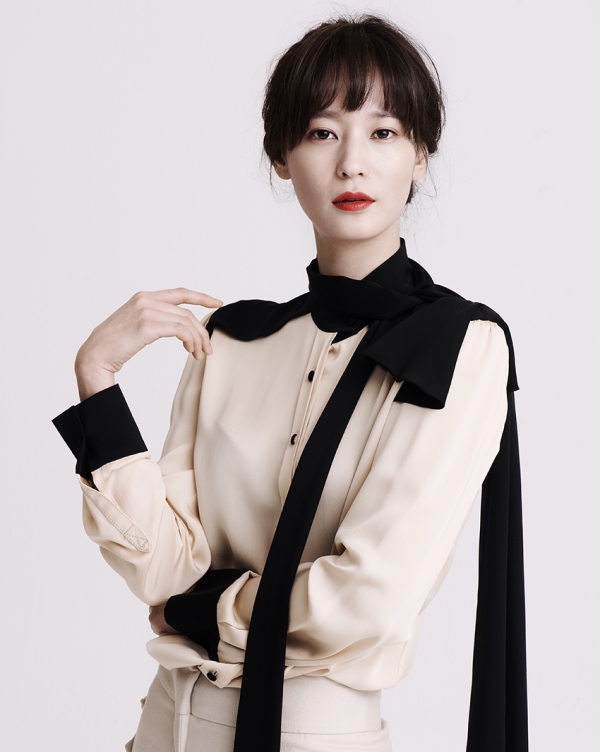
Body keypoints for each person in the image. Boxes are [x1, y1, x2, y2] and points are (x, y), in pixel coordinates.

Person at [53, 13, 528, 752]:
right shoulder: (234, 339)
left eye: (383, 132)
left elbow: (371, 596)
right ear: (281, 156)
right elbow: (164, 565)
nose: (352, 164)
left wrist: (204, 610)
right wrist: (98, 380)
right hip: (165, 724)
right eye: (321, 132)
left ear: (420, 155)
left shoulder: (459, 344)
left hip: (310, 731)